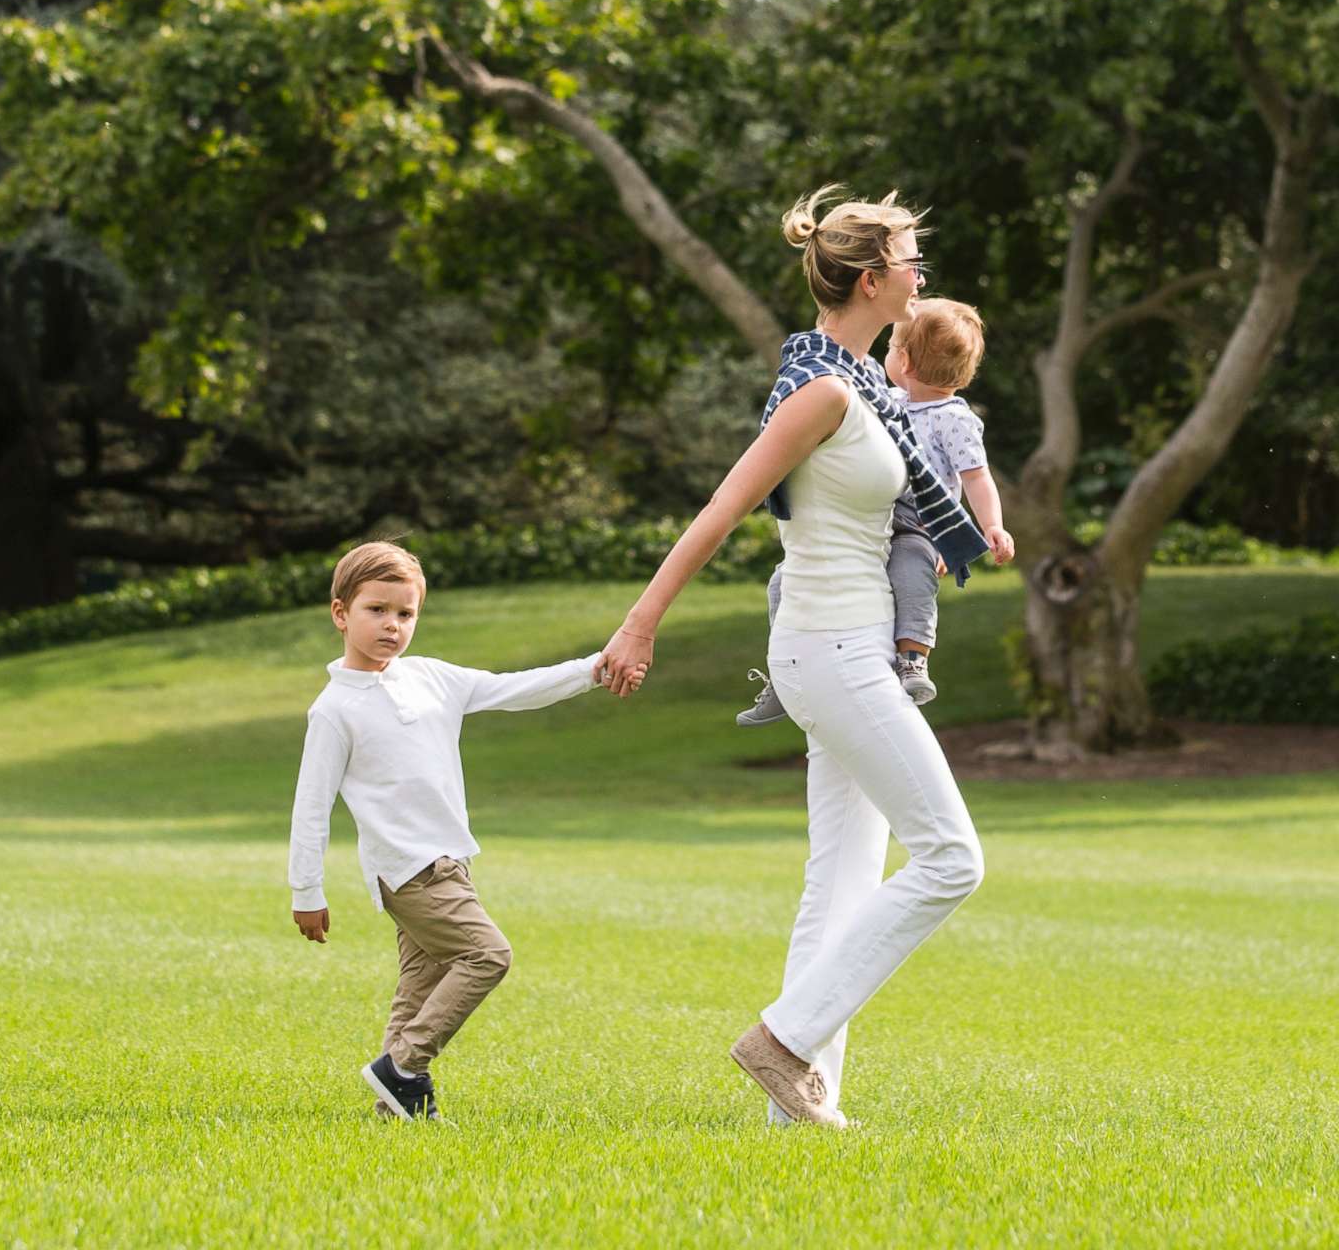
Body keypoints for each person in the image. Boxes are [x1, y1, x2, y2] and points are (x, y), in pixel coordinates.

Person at [598, 188, 990, 1129]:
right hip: (835, 649)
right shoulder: (822, 392)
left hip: (839, 647)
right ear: (870, 280)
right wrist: (639, 624)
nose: (921, 275)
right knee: (951, 859)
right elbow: (722, 510)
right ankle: (782, 1039)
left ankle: (797, 1114)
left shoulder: (864, 387)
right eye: (908, 259)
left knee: (844, 880)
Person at [287, 542, 613, 1123]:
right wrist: (306, 893)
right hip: (406, 871)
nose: (392, 625)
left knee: (420, 984)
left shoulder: (432, 678)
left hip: (449, 863)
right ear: (341, 614)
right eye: (377, 610)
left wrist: (595, 669)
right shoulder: (334, 709)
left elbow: (519, 688)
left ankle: (395, 1107)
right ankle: (404, 1067)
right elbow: (310, 809)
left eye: (405, 614)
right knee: (488, 955)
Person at [738, 295, 1014, 724]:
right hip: (871, 514)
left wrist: (991, 525)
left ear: (903, 361)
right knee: (783, 581)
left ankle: (912, 658)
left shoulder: (953, 418)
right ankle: (782, 673)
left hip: (918, 522)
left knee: (914, 573)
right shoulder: (881, 397)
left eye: (889, 347)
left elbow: (976, 476)